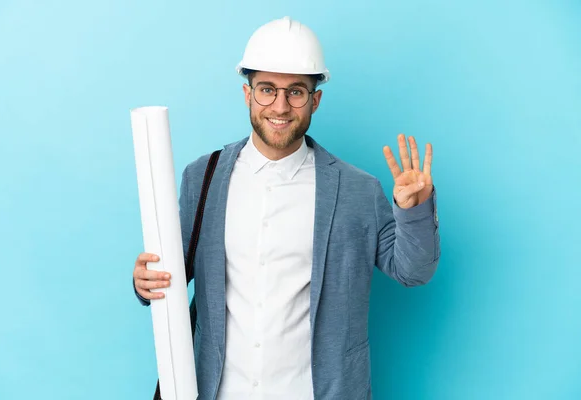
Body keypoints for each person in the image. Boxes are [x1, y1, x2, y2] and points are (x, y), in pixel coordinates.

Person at [133, 16, 440, 400]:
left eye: (295, 92)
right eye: (266, 89)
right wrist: (144, 281)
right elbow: (171, 272)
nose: (280, 105)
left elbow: (414, 271)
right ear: (248, 95)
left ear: (315, 99)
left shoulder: (358, 190)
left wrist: (414, 209)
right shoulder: (203, 177)